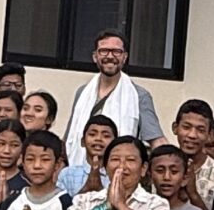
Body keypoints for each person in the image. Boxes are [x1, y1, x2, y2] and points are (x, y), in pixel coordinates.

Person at [62, 30, 159, 167]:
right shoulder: (82, 93)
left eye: (116, 52)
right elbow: (69, 138)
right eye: (104, 51)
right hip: (79, 172)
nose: (110, 56)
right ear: (95, 56)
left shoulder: (139, 96)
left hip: (120, 171)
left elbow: (156, 140)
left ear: (124, 57)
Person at [173, 99, 214, 210]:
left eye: (200, 130)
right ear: (175, 128)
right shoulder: (163, 166)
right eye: (186, 127)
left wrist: (193, 194)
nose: (192, 135)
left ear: (210, 134)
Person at [59, 114, 115, 198]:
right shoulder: (67, 174)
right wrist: (86, 188)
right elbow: (60, 205)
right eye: (92, 134)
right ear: (82, 142)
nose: (98, 139)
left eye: (106, 136)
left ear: (115, 144)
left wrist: (100, 191)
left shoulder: (118, 175)